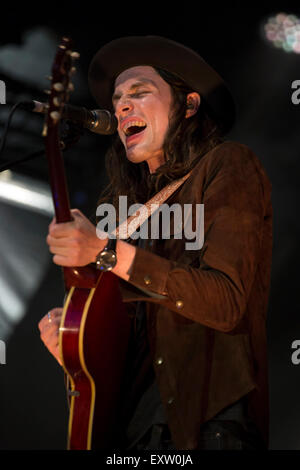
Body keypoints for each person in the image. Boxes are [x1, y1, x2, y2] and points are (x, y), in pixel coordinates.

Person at [38, 36, 272, 450]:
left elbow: (227, 300)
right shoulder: (121, 209)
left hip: (205, 426)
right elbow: (123, 345)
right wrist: (75, 346)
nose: (122, 106)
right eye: (117, 99)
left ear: (189, 105)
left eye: (139, 93)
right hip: (130, 432)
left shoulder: (228, 164)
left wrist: (107, 253)